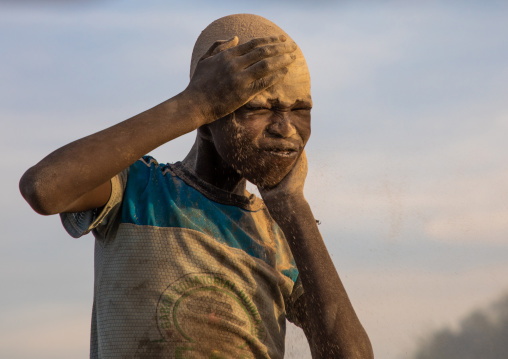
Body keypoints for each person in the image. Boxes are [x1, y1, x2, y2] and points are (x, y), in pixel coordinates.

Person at [19, 13, 373, 359]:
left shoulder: (282, 234)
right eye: (261, 107)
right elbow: (44, 188)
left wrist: (294, 207)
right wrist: (193, 103)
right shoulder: (138, 191)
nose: (286, 128)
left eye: (301, 109)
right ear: (206, 121)